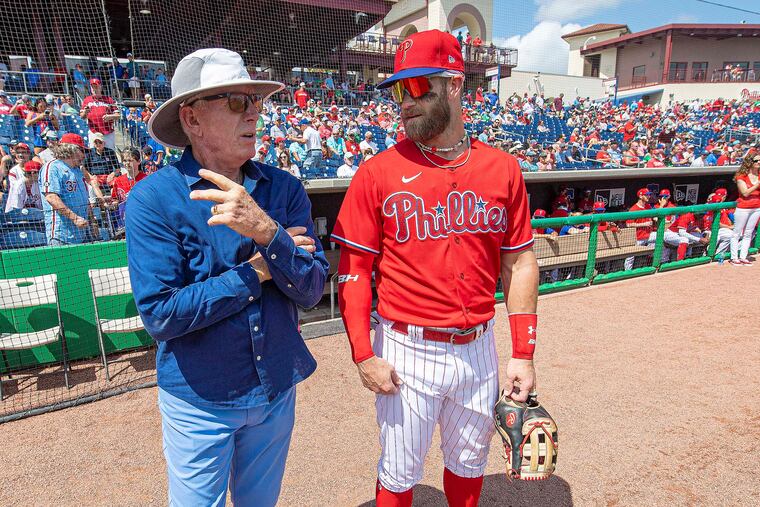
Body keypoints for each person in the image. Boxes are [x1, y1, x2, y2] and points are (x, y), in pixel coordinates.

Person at [331, 30, 539, 507]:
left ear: (454, 84)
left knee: (469, 464)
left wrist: (523, 352)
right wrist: (364, 352)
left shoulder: (503, 169)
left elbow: (519, 262)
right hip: (407, 348)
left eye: (417, 86)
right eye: (398, 90)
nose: (404, 101)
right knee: (399, 471)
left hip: (480, 347)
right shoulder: (377, 172)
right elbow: (355, 271)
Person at [126, 48, 328, 506]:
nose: (254, 112)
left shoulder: (284, 189)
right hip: (200, 398)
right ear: (192, 120)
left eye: (256, 101)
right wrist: (261, 269)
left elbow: (313, 290)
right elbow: (161, 315)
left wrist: (265, 230)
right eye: (237, 101)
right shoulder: (152, 200)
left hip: (274, 388)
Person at [39, 133, 99, 245]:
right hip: (61, 235)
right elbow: (51, 198)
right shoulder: (52, 167)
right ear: (72, 150)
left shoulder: (78, 170)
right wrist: (75, 218)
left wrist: (92, 222)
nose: (84, 156)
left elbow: (85, 199)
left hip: (82, 234)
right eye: (83, 151)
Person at [729, 153, 760, 265]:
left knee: (748, 233)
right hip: (743, 207)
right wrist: (757, 185)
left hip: (757, 207)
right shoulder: (742, 176)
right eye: (756, 161)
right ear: (750, 163)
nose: (758, 163)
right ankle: (734, 257)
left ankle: (743, 256)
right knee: (737, 233)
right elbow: (745, 193)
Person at [81, 78, 120, 149]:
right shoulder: (87, 100)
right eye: (92, 87)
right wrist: (86, 112)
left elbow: (118, 115)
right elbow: (82, 116)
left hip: (108, 133)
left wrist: (110, 116)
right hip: (94, 132)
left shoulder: (109, 100)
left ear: (100, 87)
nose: (94, 89)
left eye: (96, 87)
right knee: (94, 153)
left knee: (110, 152)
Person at [624, 188, 656, 270]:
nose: (648, 196)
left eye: (649, 194)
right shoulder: (633, 209)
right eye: (646, 195)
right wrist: (643, 224)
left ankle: (656, 265)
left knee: (662, 238)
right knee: (630, 257)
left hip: (648, 235)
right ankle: (627, 272)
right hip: (638, 237)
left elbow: (654, 215)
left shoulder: (648, 206)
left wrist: (655, 218)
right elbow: (628, 224)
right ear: (640, 196)